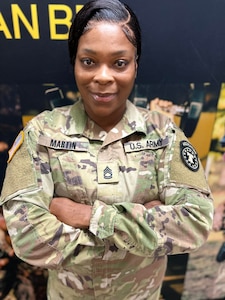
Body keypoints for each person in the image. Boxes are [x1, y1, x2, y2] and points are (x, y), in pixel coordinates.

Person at [0, 0, 213, 299]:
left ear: (135, 64)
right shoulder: (41, 133)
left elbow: (194, 223)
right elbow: (28, 237)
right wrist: (142, 234)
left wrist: (86, 216)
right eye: (88, 61)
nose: (103, 76)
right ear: (74, 62)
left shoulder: (164, 134)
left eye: (119, 63)